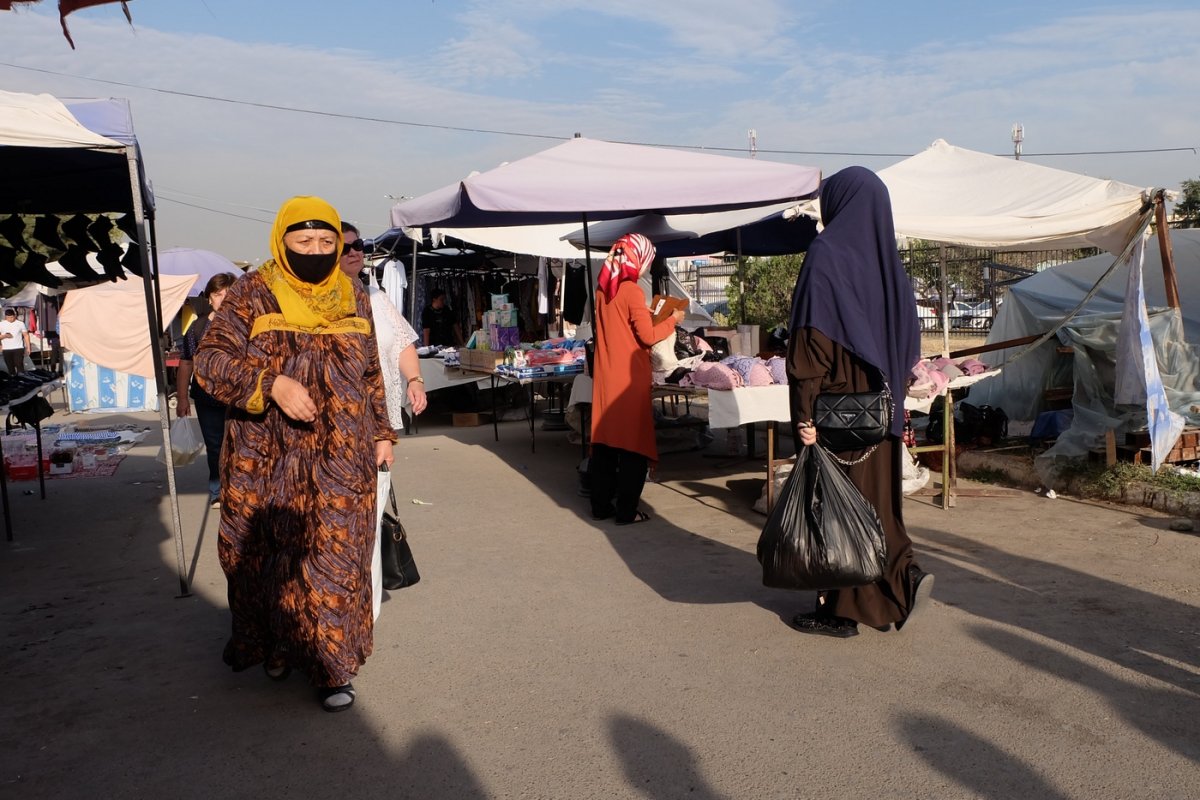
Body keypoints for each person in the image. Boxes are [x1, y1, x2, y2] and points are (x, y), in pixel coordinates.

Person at [194, 196, 395, 712]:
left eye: (327, 242)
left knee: (335, 558)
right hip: (267, 456)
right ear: (282, 241)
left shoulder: (352, 293)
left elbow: (371, 370)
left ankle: (331, 668)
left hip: (341, 456)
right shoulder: (253, 293)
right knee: (268, 555)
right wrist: (271, 383)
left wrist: (383, 433)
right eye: (303, 242)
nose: (316, 250)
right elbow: (209, 362)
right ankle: (279, 643)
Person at [786, 166, 932, 638]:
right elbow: (910, 343)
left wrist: (804, 415)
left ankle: (840, 612)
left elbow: (811, 346)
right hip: (881, 414)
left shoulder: (826, 255)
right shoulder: (888, 263)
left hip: (838, 416)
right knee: (879, 506)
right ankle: (901, 580)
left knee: (837, 509)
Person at [589, 233, 685, 525]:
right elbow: (647, 336)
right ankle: (626, 512)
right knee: (632, 447)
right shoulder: (631, 291)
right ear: (637, 259)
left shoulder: (602, 290)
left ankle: (601, 507)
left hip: (605, 376)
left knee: (605, 445)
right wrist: (672, 321)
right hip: (627, 380)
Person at [340, 222, 427, 427]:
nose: (353, 253)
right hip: (342, 415)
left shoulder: (378, 298)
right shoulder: (319, 304)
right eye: (344, 249)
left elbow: (403, 342)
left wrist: (415, 380)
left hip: (379, 412)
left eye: (358, 245)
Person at [175, 272, 238, 508]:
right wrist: (182, 399)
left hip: (240, 398)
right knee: (215, 446)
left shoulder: (247, 326)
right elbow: (186, 362)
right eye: (218, 293)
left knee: (241, 445)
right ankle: (218, 490)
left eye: (228, 293)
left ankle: (241, 488)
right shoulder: (198, 328)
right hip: (207, 398)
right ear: (209, 297)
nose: (223, 298)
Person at [0, 307, 30, 375]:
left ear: (15, 316)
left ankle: (23, 380)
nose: (10, 319)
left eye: (12, 317)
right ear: (5, 317)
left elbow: (26, 335)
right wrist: (4, 336)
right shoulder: (1, 324)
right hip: (6, 348)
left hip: (18, 348)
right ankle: (14, 381)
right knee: (10, 367)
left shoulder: (20, 323)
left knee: (19, 366)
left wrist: (28, 347)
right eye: (8, 317)